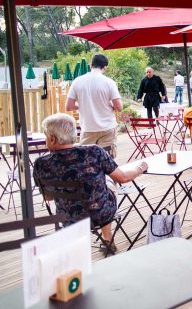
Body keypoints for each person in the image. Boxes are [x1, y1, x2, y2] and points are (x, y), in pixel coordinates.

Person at [33, 113, 148, 253]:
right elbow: (123, 178)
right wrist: (140, 167)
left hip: (68, 218)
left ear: (52, 139)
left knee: (94, 188)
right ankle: (107, 239)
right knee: (107, 180)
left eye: (45, 136)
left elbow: (48, 197)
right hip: (101, 214)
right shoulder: (94, 151)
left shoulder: (41, 164)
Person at [65, 53, 122, 157]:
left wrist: (82, 105)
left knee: (87, 161)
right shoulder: (109, 82)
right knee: (107, 161)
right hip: (107, 129)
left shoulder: (77, 81)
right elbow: (119, 107)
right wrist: (109, 104)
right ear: (105, 67)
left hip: (88, 129)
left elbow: (69, 106)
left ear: (91, 65)